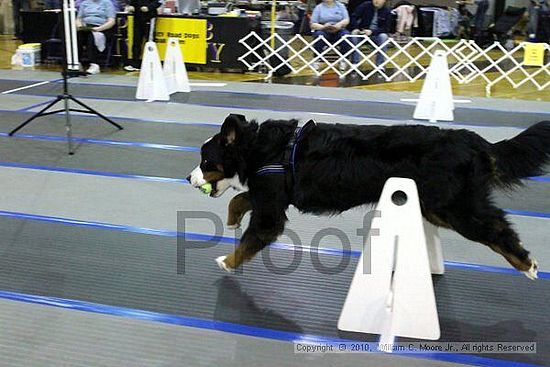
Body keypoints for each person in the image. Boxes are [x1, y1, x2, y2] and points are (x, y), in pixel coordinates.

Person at [76, 0, 116, 74]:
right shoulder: (85, 3)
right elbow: (79, 18)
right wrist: (80, 26)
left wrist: (99, 29)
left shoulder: (107, 3)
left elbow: (111, 21)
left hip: (102, 28)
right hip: (86, 27)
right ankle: (77, 63)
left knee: (91, 37)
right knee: (78, 36)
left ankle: (94, 64)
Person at [310, 0, 351, 71]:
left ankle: (343, 59)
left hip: (339, 29)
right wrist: (323, 27)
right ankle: (317, 59)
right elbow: (312, 24)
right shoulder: (318, 7)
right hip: (323, 29)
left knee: (346, 35)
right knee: (319, 35)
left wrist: (339, 24)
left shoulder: (341, 6)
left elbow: (346, 19)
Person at [350, 0, 391, 68]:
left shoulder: (387, 11)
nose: (376, 1)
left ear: (384, 1)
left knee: (384, 36)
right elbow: (353, 17)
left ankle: (380, 64)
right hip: (361, 33)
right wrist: (355, 28)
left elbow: (386, 28)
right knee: (354, 36)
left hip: (376, 35)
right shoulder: (365, 5)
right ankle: (355, 63)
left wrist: (372, 31)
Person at [123, 0, 161, 71]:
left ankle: (150, 63)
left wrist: (149, 8)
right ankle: (135, 63)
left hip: (149, 17)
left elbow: (158, 2)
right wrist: (131, 6)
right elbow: (132, 3)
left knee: (150, 41)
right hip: (137, 17)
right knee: (136, 41)